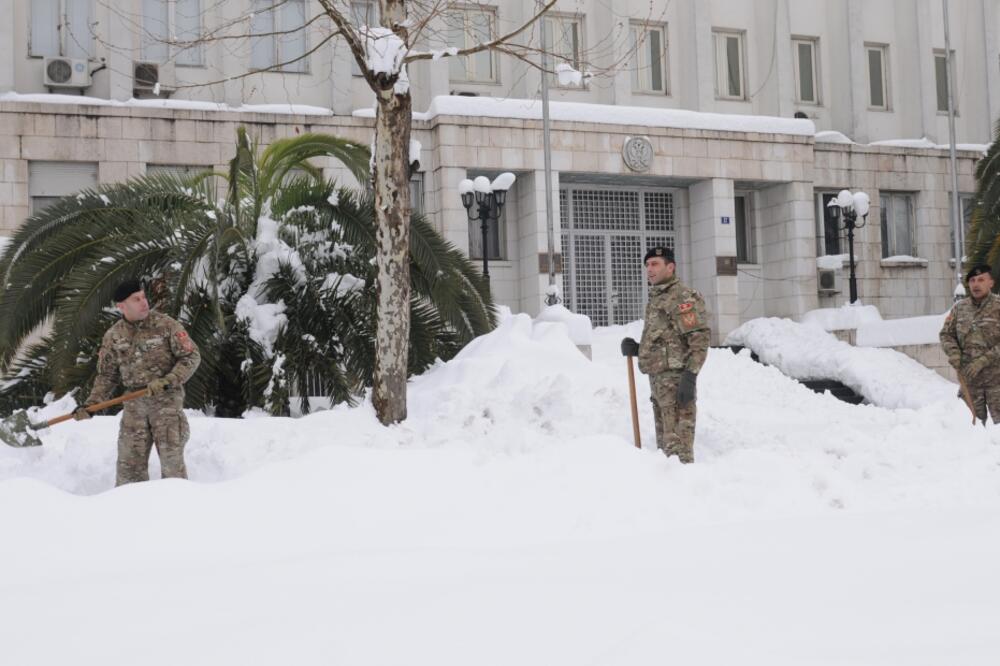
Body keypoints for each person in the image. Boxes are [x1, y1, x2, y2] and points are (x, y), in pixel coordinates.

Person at [73, 279, 201, 485]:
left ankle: (178, 511)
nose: (144, 302)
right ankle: (130, 513)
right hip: (134, 407)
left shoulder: (166, 325)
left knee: (172, 467)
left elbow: (191, 356)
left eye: (143, 297)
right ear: (121, 306)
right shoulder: (113, 336)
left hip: (166, 404)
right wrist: (92, 404)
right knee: (129, 469)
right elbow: (107, 376)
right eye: (136, 299)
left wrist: (169, 380)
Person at [621, 247, 710, 463]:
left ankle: (688, 491)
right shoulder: (658, 297)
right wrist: (639, 348)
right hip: (660, 384)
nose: (649, 269)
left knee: (678, 453)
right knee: (664, 453)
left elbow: (699, 340)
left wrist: (690, 377)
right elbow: (668, 338)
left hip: (677, 384)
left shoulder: (682, 297)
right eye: (647, 265)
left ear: (670, 267)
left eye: (655, 264)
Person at [940, 264, 1000, 423]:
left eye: (981, 279)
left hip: (997, 383)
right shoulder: (960, 308)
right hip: (970, 384)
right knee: (970, 430)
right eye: (972, 280)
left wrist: (983, 361)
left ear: (991, 283)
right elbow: (946, 334)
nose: (976, 284)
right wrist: (954, 353)